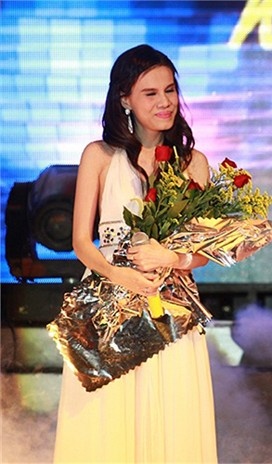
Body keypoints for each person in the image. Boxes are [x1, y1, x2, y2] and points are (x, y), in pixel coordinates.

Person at [53, 44, 217, 462]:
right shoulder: (99, 155)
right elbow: (81, 242)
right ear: (125, 98)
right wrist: (119, 275)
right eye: (151, 93)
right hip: (109, 306)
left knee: (172, 418)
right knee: (108, 423)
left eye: (170, 90)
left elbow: (202, 251)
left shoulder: (193, 162)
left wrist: (174, 259)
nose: (165, 102)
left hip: (172, 310)